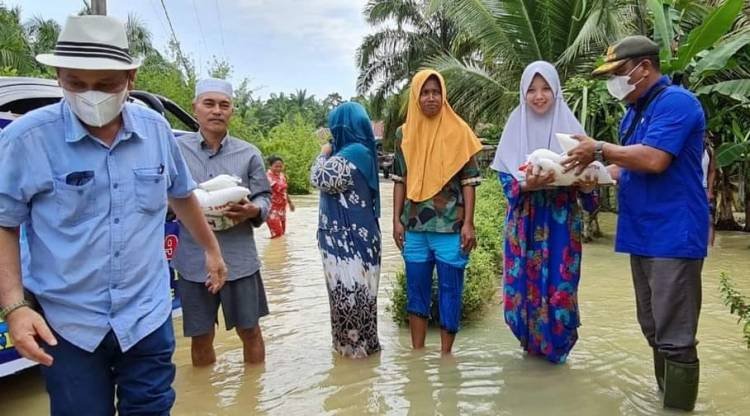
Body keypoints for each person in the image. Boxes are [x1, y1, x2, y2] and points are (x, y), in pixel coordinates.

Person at [0, 15, 227, 415]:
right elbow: (5, 222)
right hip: (66, 323)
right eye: (75, 83)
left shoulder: (155, 130)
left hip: (145, 316)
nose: (91, 95)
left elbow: (182, 195)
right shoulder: (26, 139)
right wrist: (16, 308)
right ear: (58, 76)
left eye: (105, 85)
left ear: (131, 78)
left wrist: (211, 251)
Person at [563, 36, 707, 411]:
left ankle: (677, 408)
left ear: (644, 68)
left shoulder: (677, 103)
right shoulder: (635, 112)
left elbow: (655, 159)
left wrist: (599, 149)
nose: (615, 82)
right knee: (653, 328)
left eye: (619, 73)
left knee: (674, 334)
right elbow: (627, 166)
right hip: (642, 234)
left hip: (674, 235)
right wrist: (596, 173)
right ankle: (666, 399)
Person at [490, 61, 599, 364]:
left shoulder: (574, 132)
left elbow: (591, 191)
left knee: (559, 290)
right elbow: (505, 181)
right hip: (524, 224)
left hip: (561, 224)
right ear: (523, 93)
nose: (539, 96)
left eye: (545, 89)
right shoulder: (514, 125)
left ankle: (558, 357)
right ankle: (529, 353)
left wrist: (589, 186)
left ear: (556, 91)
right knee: (520, 292)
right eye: (532, 90)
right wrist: (527, 185)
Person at [173, 78, 272, 366]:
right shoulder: (176, 151)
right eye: (209, 104)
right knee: (200, 335)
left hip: (239, 260)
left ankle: (253, 402)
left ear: (232, 111)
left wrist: (253, 210)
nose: (216, 111)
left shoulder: (249, 153)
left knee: (250, 330)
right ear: (195, 108)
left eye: (224, 105)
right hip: (194, 262)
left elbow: (265, 197)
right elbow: (164, 195)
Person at [392, 69, 483, 354]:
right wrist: (396, 220)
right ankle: (417, 355)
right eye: (425, 92)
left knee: (450, 292)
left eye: (436, 92)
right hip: (415, 228)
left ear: (444, 95)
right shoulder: (404, 134)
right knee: (416, 293)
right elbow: (400, 180)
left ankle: (446, 357)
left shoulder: (460, 132)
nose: (431, 98)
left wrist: (468, 223)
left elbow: (469, 182)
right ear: (416, 96)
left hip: (450, 229)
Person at [310, 102, 381, 358]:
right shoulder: (362, 152)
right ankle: (363, 365)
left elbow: (319, 178)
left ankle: (353, 366)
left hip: (348, 246)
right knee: (360, 301)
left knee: (349, 301)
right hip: (357, 242)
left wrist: (323, 152)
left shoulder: (350, 154)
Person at [266, 156, 295, 238]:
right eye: (276, 166)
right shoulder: (267, 177)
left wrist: (290, 202)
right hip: (271, 209)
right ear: (270, 166)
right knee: (277, 234)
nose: (278, 168)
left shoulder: (282, 176)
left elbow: (284, 191)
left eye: (280, 166)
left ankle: (278, 250)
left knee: (282, 235)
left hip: (282, 208)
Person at [702, 135, 716, 246]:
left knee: (709, 220)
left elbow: (712, 171)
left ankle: (710, 248)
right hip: (689, 188)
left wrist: (710, 191)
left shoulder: (709, 151)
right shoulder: (686, 149)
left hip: (704, 188)